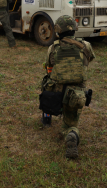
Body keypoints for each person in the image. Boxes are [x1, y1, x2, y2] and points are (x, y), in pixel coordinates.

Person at [40, 15, 96, 159]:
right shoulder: (86, 46)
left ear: (57, 31)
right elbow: (89, 60)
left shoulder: (53, 48)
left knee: (46, 82)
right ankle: (72, 133)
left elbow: (49, 69)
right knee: (70, 124)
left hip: (56, 94)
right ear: (75, 29)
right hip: (76, 94)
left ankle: (48, 117)